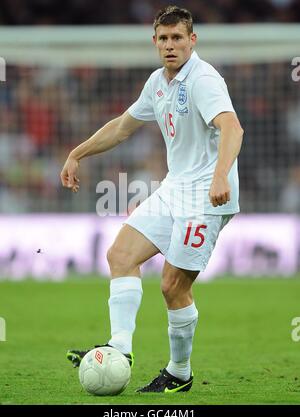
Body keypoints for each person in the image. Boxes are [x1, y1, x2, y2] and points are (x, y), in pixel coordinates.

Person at [60, 5, 244, 393]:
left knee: (173, 286)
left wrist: (221, 174)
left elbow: (232, 127)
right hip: (175, 188)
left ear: (192, 40)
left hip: (206, 198)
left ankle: (180, 372)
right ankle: (120, 350)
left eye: (178, 37)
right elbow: (123, 127)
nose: (170, 45)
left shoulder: (204, 79)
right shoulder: (158, 82)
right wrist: (77, 153)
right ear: (155, 42)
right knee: (120, 255)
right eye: (164, 38)